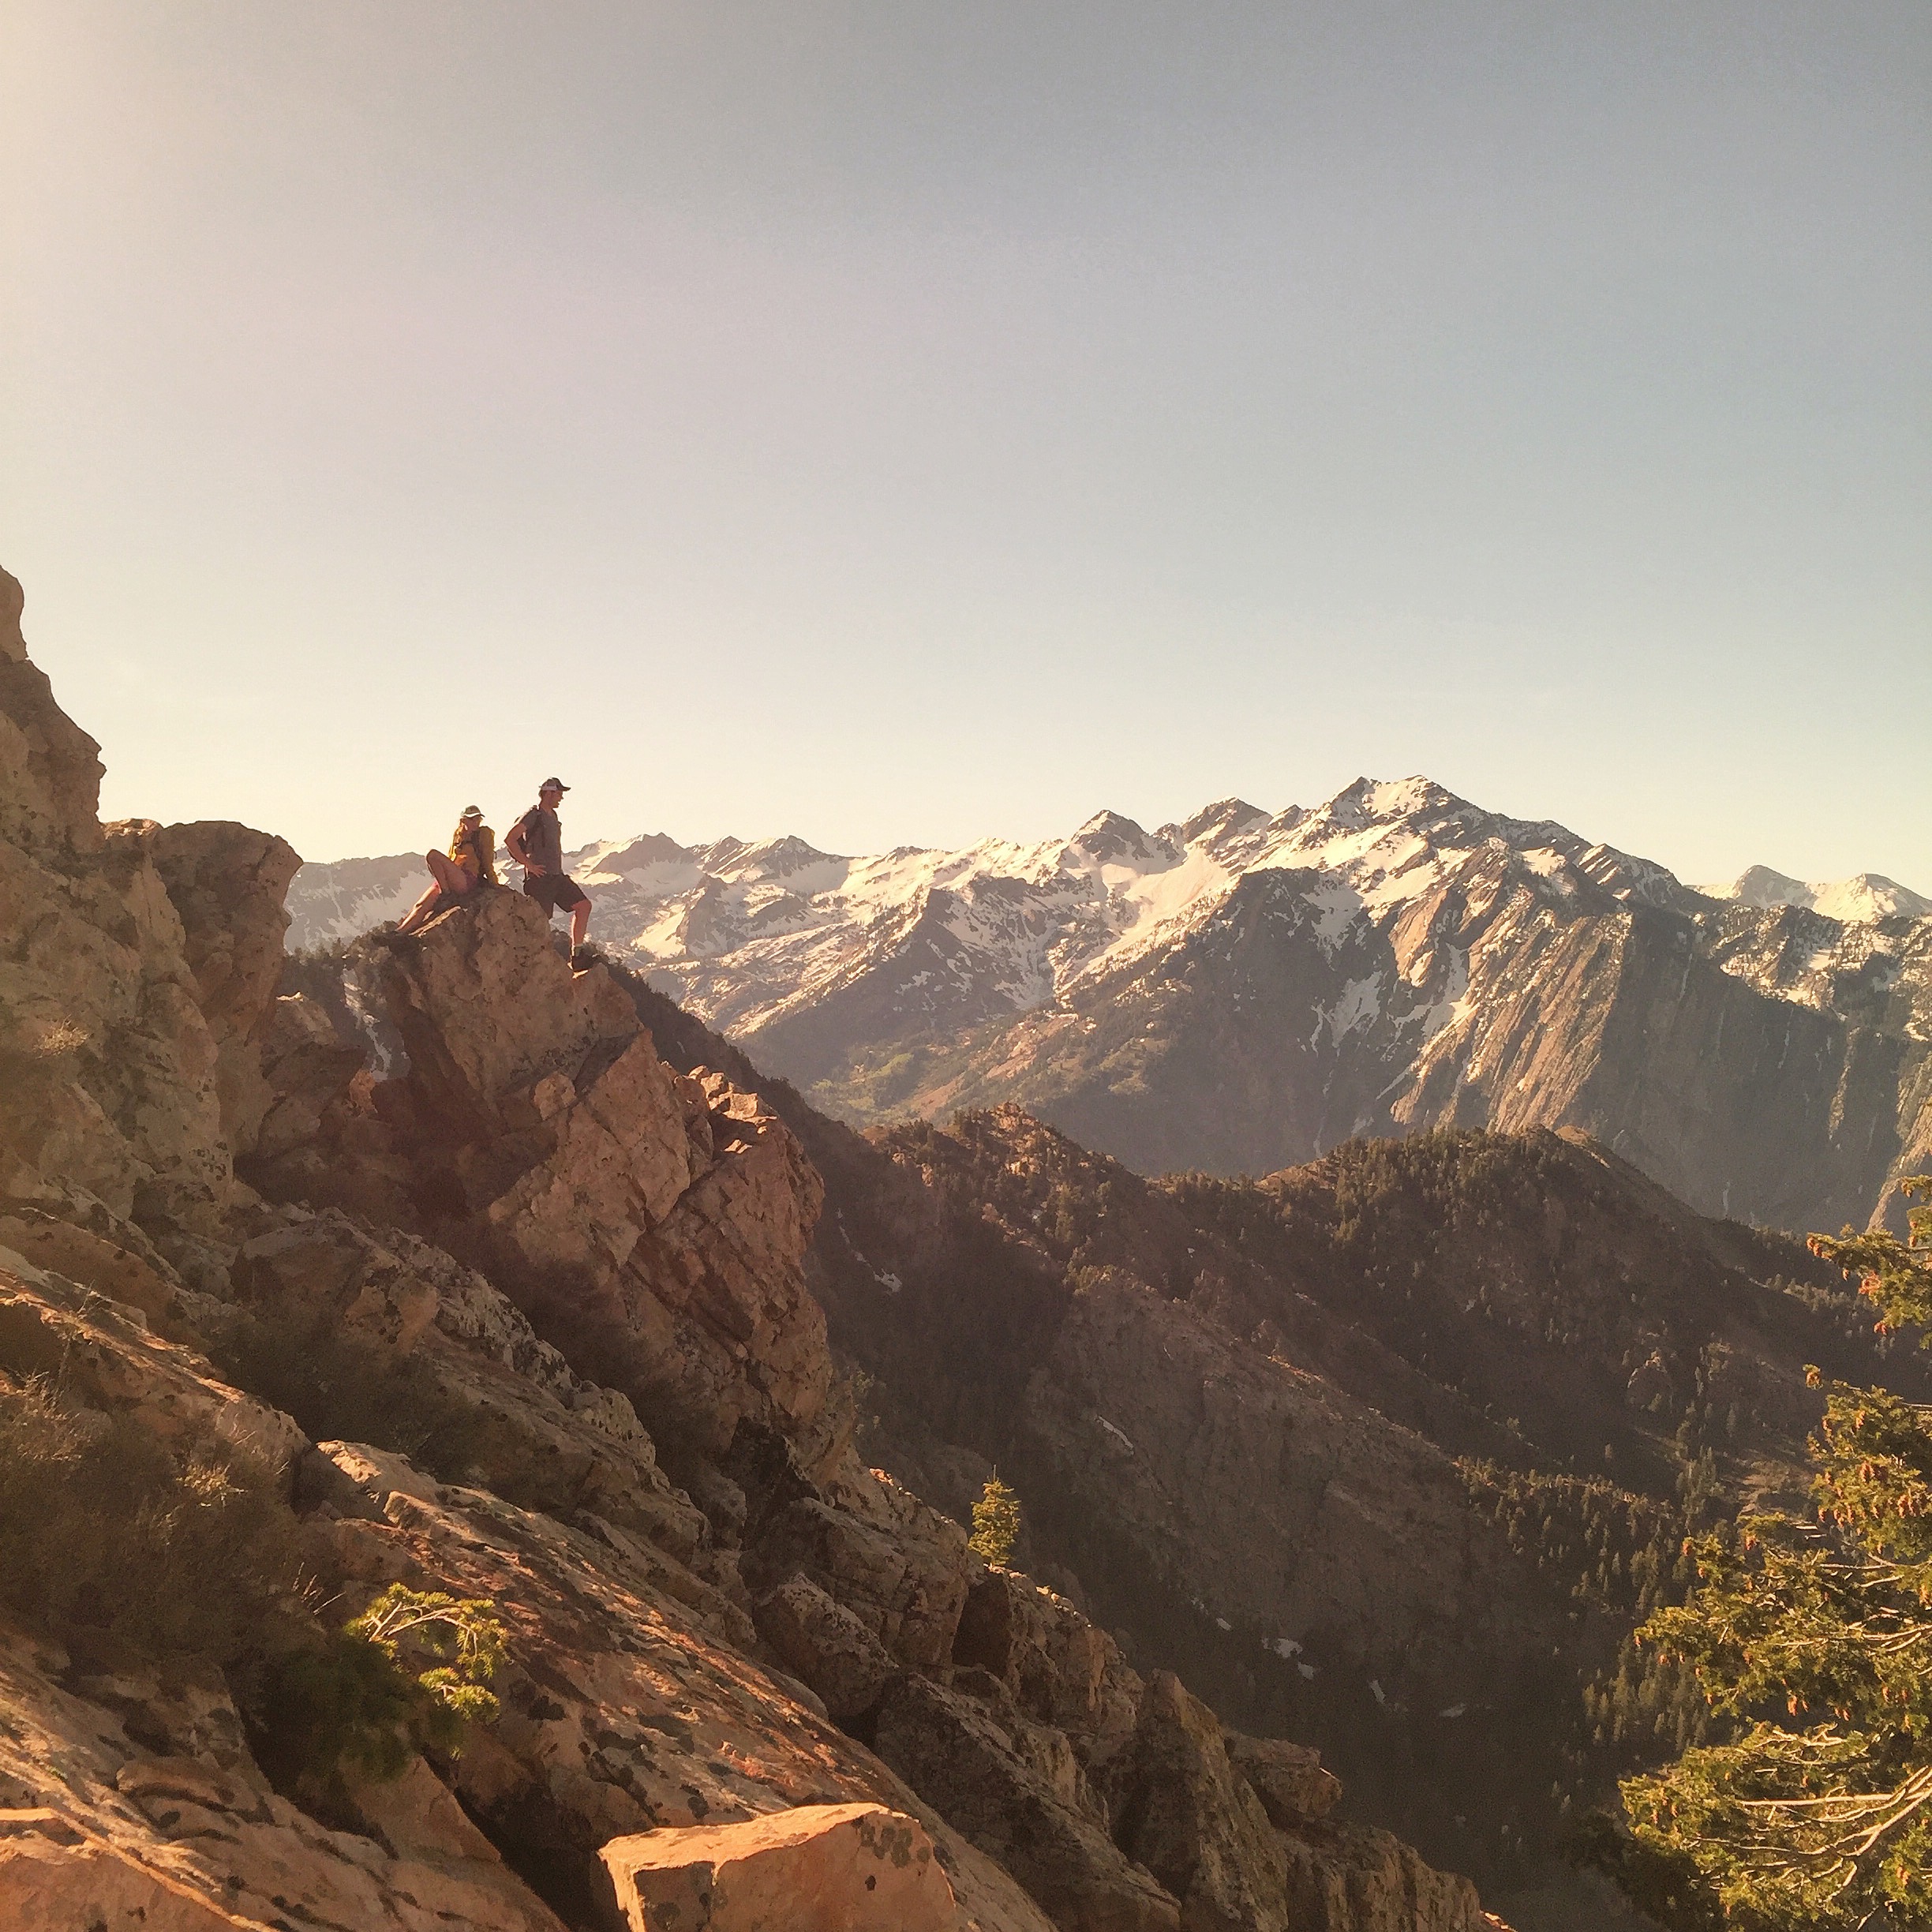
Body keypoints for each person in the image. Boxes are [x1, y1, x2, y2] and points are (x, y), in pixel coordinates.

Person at [505, 776, 593, 959]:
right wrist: (528, 864)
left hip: (556, 876)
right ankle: (526, 959)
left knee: (584, 906)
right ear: (548, 793)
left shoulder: (553, 816)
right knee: (540, 922)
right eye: (558, 793)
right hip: (540, 879)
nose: (561, 798)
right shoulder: (533, 815)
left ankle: (577, 954)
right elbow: (510, 838)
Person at [394, 805, 497, 935]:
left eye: (478, 819)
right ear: (463, 821)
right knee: (421, 906)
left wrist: (495, 884)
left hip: (467, 878)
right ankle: (398, 933)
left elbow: (487, 861)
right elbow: (451, 857)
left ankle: (446, 894)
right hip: (452, 876)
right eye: (472, 819)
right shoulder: (458, 834)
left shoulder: (484, 834)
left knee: (432, 855)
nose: (476, 822)